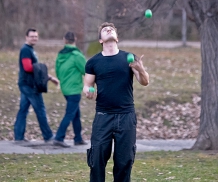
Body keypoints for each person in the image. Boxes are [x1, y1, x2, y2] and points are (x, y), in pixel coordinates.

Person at [83, 22, 149, 182]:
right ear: (100, 40)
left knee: (124, 161)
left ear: (116, 38)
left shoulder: (129, 58)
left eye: (111, 29)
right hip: (103, 116)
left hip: (126, 116)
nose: (108, 30)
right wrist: (88, 91)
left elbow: (145, 81)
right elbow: (87, 85)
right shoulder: (93, 62)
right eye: (105, 30)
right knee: (97, 159)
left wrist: (140, 69)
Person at [14, 28, 59, 143]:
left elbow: (35, 69)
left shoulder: (30, 49)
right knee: (40, 109)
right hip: (29, 86)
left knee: (23, 110)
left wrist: (49, 77)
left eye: (36, 36)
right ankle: (48, 136)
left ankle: (18, 137)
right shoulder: (25, 50)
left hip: (26, 84)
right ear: (26, 37)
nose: (34, 38)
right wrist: (42, 69)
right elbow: (28, 67)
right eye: (32, 36)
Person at [53, 31, 87, 148]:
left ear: (64, 40)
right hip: (74, 90)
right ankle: (58, 137)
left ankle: (78, 138)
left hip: (65, 89)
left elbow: (57, 71)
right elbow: (85, 70)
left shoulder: (60, 55)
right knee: (70, 114)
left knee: (76, 114)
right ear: (75, 39)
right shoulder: (77, 55)